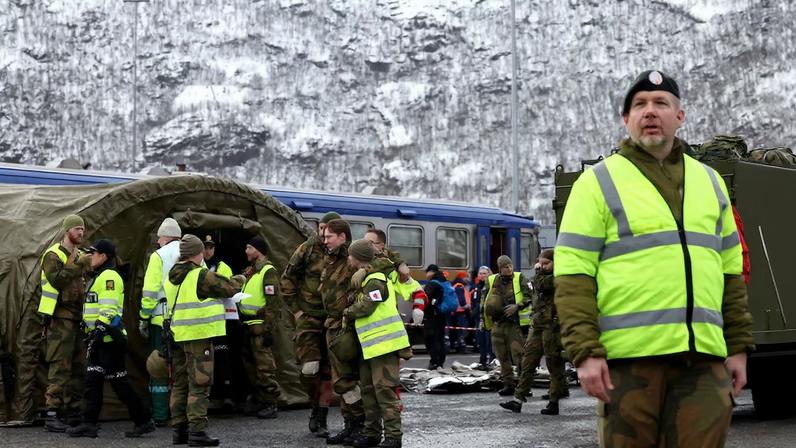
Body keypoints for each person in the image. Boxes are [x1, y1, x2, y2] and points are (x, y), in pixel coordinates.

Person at [555, 70, 754, 447]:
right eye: (639, 104)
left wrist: (738, 346)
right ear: (625, 119)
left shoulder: (710, 182)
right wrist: (585, 352)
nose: (650, 111)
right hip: (629, 365)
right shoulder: (597, 182)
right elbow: (573, 275)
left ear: (680, 116)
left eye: (661, 103)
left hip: (703, 362)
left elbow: (731, 274)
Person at [67, 239, 155, 438]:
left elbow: (109, 307)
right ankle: (88, 423)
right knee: (93, 381)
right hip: (98, 340)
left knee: (118, 382)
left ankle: (143, 420)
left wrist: (99, 327)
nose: (90, 257)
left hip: (109, 340)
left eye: (94, 253)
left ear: (104, 256)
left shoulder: (109, 277)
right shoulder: (98, 276)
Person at [165, 234, 243, 447]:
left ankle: (178, 431)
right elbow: (229, 288)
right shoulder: (200, 274)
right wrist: (241, 278)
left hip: (178, 336)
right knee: (200, 384)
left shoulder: (171, 276)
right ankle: (197, 432)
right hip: (199, 336)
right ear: (198, 253)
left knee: (180, 384)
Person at [343, 239, 409, 448]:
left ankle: (393, 436)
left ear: (357, 257)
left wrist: (347, 312)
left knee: (385, 391)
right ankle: (371, 433)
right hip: (370, 346)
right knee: (369, 392)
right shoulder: (366, 278)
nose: (348, 258)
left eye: (350, 255)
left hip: (385, 345)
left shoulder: (376, 280)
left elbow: (366, 306)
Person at [281, 211, 341, 437]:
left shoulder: (342, 251)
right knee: (309, 369)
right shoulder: (306, 249)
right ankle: (313, 405)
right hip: (308, 316)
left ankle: (321, 416)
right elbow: (287, 279)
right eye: (322, 227)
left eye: (329, 229)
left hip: (332, 319)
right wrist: (296, 310)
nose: (324, 232)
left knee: (328, 372)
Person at [38, 214, 92, 432]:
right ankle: (52, 413)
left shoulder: (82, 255)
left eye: (83, 229)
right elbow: (57, 280)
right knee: (59, 366)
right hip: (60, 318)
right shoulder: (53, 255)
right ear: (67, 230)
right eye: (77, 229)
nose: (81, 233)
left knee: (79, 367)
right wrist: (79, 265)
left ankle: (74, 411)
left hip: (79, 318)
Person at [499, 249, 567, 415]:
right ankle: (518, 399)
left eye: (546, 263)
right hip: (538, 323)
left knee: (553, 363)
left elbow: (541, 284)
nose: (542, 266)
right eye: (541, 263)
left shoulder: (559, 277)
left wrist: (538, 270)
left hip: (552, 325)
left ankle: (553, 401)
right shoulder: (543, 275)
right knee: (528, 360)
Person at [320, 218, 366, 445]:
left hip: (346, 328)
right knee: (340, 381)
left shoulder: (353, 258)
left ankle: (360, 424)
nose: (324, 240)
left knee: (347, 379)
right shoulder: (329, 260)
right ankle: (349, 424)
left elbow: (384, 262)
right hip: (332, 326)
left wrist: (364, 270)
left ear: (342, 237)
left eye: (329, 236)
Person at [138, 217, 182, 425]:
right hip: (186, 322)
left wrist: (144, 317)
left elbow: (150, 291)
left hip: (160, 321)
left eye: (159, 238)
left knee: (158, 367)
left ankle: (160, 414)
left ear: (165, 236)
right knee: (182, 368)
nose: (158, 242)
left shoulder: (159, 256)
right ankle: (181, 414)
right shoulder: (194, 254)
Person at [238, 236, 282, 419]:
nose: (246, 251)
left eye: (249, 247)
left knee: (265, 368)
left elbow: (273, 303)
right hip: (247, 326)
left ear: (258, 250)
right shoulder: (250, 272)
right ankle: (258, 399)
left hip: (259, 327)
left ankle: (270, 402)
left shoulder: (268, 272)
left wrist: (268, 330)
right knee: (250, 368)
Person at [481, 255, 532, 396]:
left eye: (510, 266)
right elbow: (483, 301)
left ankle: (524, 386)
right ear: (500, 268)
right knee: (501, 356)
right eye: (505, 267)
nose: (508, 269)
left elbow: (530, 296)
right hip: (498, 323)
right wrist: (482, 320)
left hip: (514, 324)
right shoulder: (491, 280)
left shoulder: (520, 278)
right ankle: (508, 384)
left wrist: (517, 306)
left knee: (519, 355)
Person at [203, 235, 239, 414]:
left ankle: (227, 395)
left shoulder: (223, 266)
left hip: (223, 319)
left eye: (210, 247)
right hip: (203, 320)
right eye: (205, 247)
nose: (207, 251)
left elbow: (228, 288)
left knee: (224, 357)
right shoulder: (198, 267)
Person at [422, 265, 449, 369]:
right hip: (441, 315)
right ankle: (440, 362)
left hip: (432, 316)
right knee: (440, 338)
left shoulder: (432, 284)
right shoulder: (443, 281)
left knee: (431, 339)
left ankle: (434, 361)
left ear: (431, 272)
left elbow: (426, 300)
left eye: (427, 272)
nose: (426, 275)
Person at [470, 266, 494, 368]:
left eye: (484, 273)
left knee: (490, 341)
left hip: (489, 318)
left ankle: (492, 361)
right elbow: (474, 302)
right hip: (479, 319)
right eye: (480, 273)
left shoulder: (492, 286)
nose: (482, 275)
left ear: (489, 274)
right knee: (481, 341)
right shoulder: (476, 287)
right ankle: (482, 361)